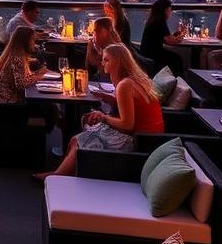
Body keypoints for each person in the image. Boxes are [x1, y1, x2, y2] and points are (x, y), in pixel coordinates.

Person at [35, 44, 163, 179]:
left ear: (118, 62)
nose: (102, 63)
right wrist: (113, 100)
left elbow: (127, 125)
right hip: (151, 139)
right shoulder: (136, 80)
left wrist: (103, 117)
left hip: (137, 142)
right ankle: (64, 174)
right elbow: (135, 108)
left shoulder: (124, 85)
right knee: (76, 139)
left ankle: (57, 177)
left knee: (80, 139)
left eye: (106, 60)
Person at [0, 26, 51, 103]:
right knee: (50, 106)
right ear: (25, 42)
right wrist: (40, 76)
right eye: (33, 40)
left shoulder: (14, 54)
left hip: (4, 97)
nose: (34, 44)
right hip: (7, 102)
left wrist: (37, 73)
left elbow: (22, 78)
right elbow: (21, 85)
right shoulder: (17, 58)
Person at [139, 0, 185, 75]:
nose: (170, 13)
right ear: (165, 10)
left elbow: (164, 38)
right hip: (154, 54)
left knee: (175, 57)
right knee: (177, 59)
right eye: (170, 10)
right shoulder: (160, 22)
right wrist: (180, 38)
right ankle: (177, 79)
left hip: (146, 52)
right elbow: (170, 41)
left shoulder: (153, 20)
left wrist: (174, 37)